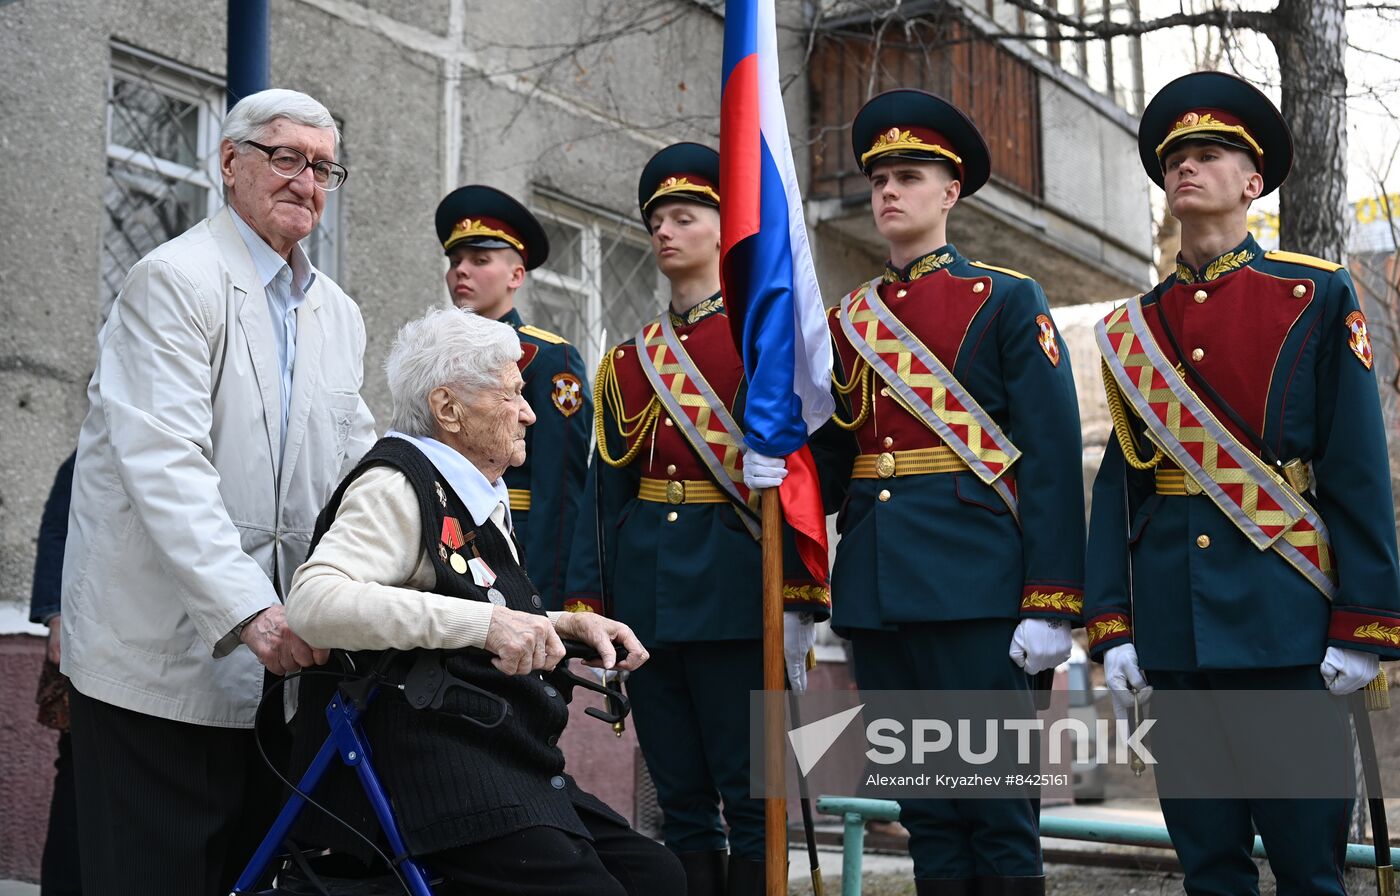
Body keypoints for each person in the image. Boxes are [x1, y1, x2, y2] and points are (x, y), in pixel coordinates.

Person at [1084, 71, 1400, 896]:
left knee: (1308, 869)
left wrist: (1364, 623)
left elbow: (1356, 470)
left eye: (1211, 153)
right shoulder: (1133, 328)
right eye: (1175, 156)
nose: (1187, 166)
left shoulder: (1315, 296)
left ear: (1252, 182)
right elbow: (1123, 487)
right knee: (1209, 869)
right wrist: (1112, 625)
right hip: (1173, 630)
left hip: (1282, 618)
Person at [60, 88, 376, 896]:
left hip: (282, 667)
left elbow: (353, 465)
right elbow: (163, 461)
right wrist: (248, 610)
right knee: (153, 874)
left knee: (251, 874)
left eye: (322, 167)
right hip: (162, 657)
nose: (306, 181)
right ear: (229, 163)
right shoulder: (172, 280)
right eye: (286, 158)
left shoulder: (337, 313)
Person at [282, 306, 682, 895]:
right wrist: (490, 623)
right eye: (512, 395)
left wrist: (563, 625)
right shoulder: (396, 484)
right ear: (447, 410)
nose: (529, 413)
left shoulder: (474, 492)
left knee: (656, 875)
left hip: (499, 757)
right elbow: (315, 602)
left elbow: (459, 603)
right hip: (429, 772)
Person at [810, 90, 1086, 896]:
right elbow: (837, 460)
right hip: (878, 592)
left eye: (908, 176)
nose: (888, 191)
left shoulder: (1005, 299)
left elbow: (1050, 458)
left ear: (949, 193)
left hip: (978, 590)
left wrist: (1051, 602)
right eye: (879, 178)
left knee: (996, 816)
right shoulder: (849, 321)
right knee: (926, 812)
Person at [561, 143, 831, 895]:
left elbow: (806, 481)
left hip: (737, 592)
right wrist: (590, 607)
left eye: (685, 216)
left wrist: (804, 595)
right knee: (679, 801)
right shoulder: (625, 362)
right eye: (657, 220)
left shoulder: (764, 345)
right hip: (649, 604)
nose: (665, 233)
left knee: (750, 797)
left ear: (725, 231)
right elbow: (604, 497)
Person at [434, 186, 591, 609]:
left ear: (516, 276)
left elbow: (560, 497)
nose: (461, 272)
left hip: (512, 545)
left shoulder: (548, 359)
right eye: (455, 261)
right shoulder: (435, 359)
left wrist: (544, 597)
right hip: (443, 542)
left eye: (479, 261)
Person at [29, 451, 80, 896]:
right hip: (85, 642)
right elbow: (56, 532)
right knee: (78, 771)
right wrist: (56, 617)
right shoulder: (86, 456)